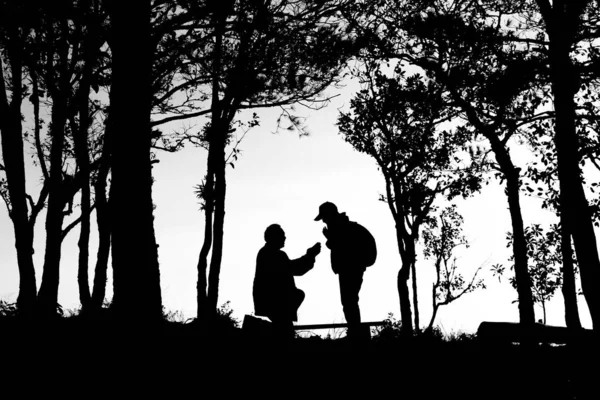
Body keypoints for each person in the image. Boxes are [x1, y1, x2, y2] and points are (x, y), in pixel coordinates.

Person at [315, 201, 376, 343]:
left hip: (350, 268)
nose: (323, 220)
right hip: (349, 268)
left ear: (330, 215)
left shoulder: (342, 228)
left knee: (349, 300)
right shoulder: (343, 227)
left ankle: (355, 333)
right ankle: (354, 330)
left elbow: (342, 245)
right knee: (349, 300)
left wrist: (329, 238)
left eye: (324, 217)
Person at [253, 224, 321, 341]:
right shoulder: (273, 254)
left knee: (284, 330)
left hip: (274, 302)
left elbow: (293, 268)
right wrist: (310, 255)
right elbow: (294, 268)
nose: (285, 238)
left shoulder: (267, 253)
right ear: (274, 237)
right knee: (284, 333)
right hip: (276, 302)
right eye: (282, 236)